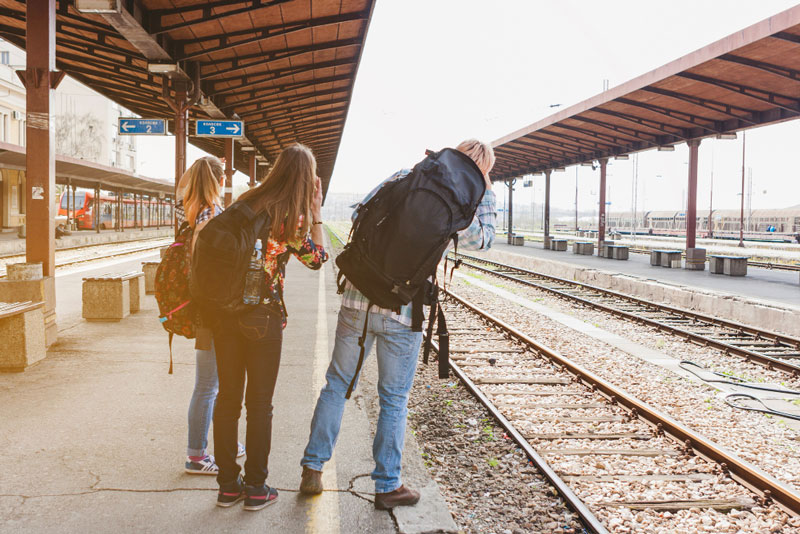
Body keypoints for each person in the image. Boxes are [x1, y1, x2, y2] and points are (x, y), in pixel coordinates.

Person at [300, 139, 497, 509]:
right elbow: (483, 242)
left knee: (338, 384)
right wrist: (486, 195)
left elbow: (362, 210)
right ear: (483, 170)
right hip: (403, 309)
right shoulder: (470, 199)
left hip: (358, 296)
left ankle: (312, 467)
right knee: (393, 399)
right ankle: (387, 485)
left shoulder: (409, 175)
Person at [212, 144, 328, 511]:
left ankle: (228, 486)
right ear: (307, 180)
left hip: (224, 314)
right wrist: (316, 214)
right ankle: (257, 488)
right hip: (263, 319)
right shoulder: (289, 216)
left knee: (227, 400)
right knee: (259, 405)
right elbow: (317, 260)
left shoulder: (246, 201)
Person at [175, 156, 245, 475]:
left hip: (206, 306)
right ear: (219, 182)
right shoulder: (213, 215)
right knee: (207, 385)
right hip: (214, 310)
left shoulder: (194, 210)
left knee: (213, 382)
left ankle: (222, 444)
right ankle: (196, 456)